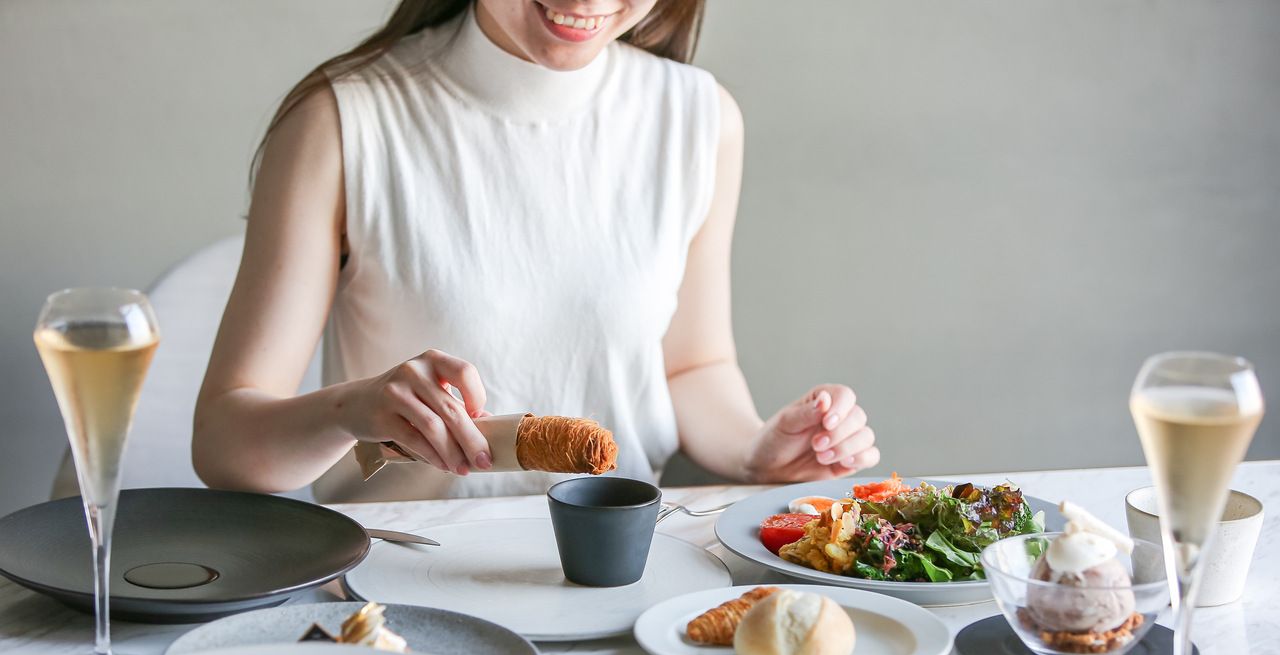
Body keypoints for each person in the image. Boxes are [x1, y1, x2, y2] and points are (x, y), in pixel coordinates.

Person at [193, 0, 879, 501]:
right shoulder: (342, 121)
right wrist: (350, 408)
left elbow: (692, 364)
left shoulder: (699, 119)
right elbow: (224, 444)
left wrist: (758, 451)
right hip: (401, 586)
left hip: (626, 572)